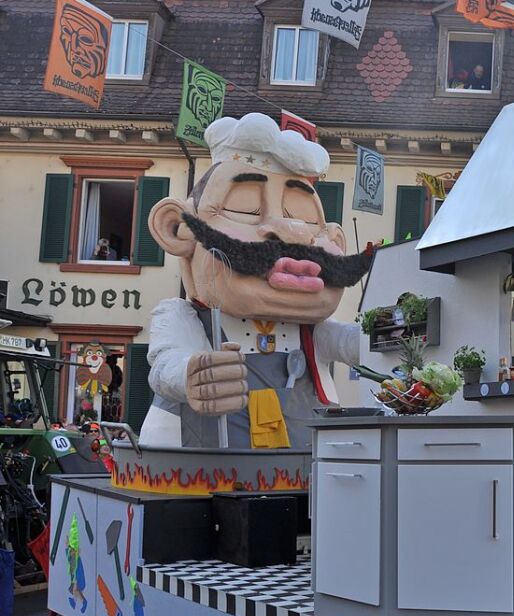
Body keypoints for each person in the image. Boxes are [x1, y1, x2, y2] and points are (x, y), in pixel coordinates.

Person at [140, 113, 372, 449]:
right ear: (175, 228)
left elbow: (357, 346)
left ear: (335, 239)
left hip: (301, 467)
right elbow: (166, 362)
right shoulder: (180, 316)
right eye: (246, 208)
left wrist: (396, 337)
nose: (288, 229)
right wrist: (193, 374)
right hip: (204, 466)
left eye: (303, 216)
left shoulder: (313, 330)